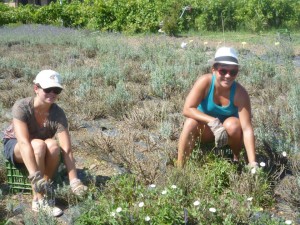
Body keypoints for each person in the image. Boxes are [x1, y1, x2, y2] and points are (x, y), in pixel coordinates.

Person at [3, 69, 87, 217]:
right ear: (36, 88)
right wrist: (35, 177)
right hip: (16, 144)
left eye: (56, 90)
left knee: (53, 146)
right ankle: (38, 200)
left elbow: (66, 149)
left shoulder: (58, 113)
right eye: (48, 89)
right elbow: (23, 142)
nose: (52, 93)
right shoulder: (22, 106)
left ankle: (46, 187)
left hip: (38, 145)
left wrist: (74, 181)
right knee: (38, 145)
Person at [177, 47, 257, 168]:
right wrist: (213, 121)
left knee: (234, 124)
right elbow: (187, 109)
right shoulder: (205, 82)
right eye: (223, 71)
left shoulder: (240, 93)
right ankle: (180, 168)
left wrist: (253, 162)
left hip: (228, 135)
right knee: (190, 123)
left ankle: (236, 158)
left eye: (233, 72)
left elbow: (247, 129)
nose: (228, 76)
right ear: (213, 69)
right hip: (205, 131)